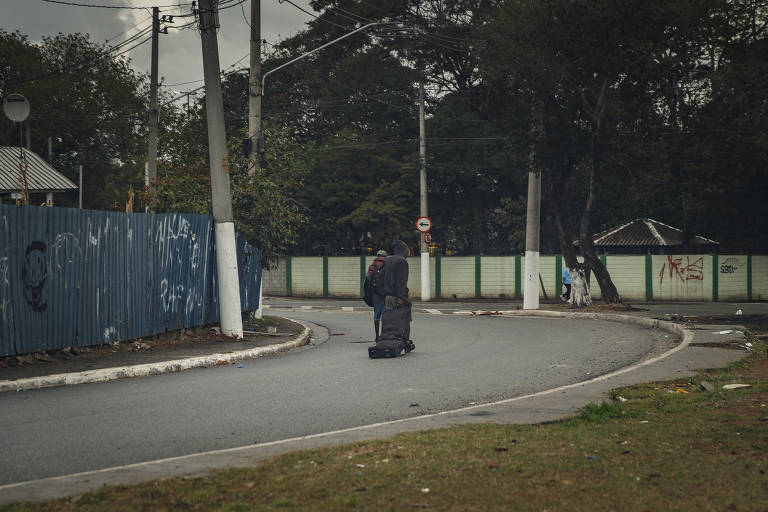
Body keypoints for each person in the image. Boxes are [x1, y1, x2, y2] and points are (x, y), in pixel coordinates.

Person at [382, 240, 412, 342]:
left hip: (387, 296)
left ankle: (390, 341)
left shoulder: (388, 260)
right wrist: (401, 297)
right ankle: (403, 342)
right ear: (404, 251)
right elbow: (401, 282)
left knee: (390, 321)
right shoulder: (402, 261)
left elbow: (383, 278)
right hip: (398, 297)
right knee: (403, 320)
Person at [366, 249, 387, 341]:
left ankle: (377, 336)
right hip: (386, 294)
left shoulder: (372, 266)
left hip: (375, 295)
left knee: (376, 316)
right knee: (386, 315)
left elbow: (367, 279)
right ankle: (384, 335)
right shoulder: (387, 264)